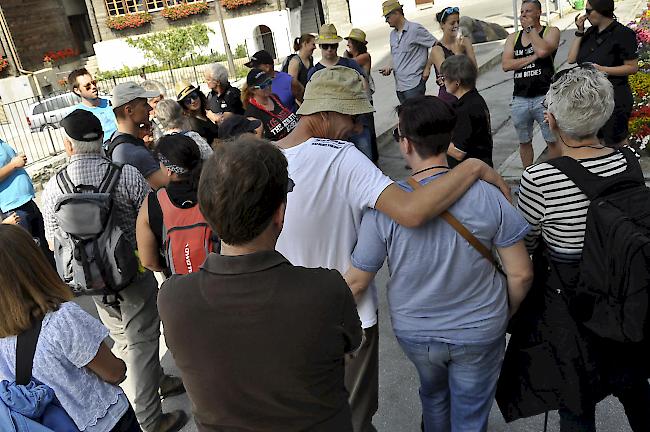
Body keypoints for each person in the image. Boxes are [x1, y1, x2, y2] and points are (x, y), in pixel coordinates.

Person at [275, 66, 511, 432]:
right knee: (353, 417)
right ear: (326, 113)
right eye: (353, 118)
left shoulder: (263, 159)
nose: (356, 129)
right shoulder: (343, 157)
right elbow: (412, 210)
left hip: (286, 319)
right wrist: (473, 169)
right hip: (347, 318)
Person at [345, 95, 532, 432]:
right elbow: (520, 273)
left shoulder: (386, 206)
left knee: (432, 395)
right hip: (479, 328)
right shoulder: (489, 194)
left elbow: (358, 279)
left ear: (405, 144)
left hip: (417, 332)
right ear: (448, 139)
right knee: (471, 411)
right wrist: (504, 312)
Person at [158, 136, 363, 431]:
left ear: (206, 211)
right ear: (279, 214)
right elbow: (350, 347)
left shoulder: (173, 298)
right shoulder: (325, 289)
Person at [496, 66, 650, 432]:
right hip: (625, 300)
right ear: (605, 115)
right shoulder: (627, 162)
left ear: (549, 120)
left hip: (572, 313)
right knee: (636, 391)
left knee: (575, 405)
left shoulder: (541, 178)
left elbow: (528, 244)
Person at [41, 109, 187, 432]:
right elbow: (153, 220)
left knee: (124, 336)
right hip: (131, 273)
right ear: (101, 139)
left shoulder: (53, 188)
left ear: (68, 146)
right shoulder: (126, 176)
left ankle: (156, 380)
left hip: (90, 280)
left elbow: (53, 244)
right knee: (144, 341)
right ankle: (151, 419)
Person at [0, 224, 142, 432]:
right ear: (33, 264)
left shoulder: (3, 343)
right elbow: (114, 373)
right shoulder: (62, 320)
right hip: (109, 422)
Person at [136, 134, 213, 275]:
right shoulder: (216, 191)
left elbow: (148, 261)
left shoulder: (152, 203)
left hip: (181, 285)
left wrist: (171, 264)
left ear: (169, 169)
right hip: (220, 276)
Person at [568, 0, 639, 148]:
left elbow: (632, 67)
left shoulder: (623, 34)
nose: (585, 16)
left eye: (589, 11)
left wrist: (602, 69)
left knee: (616, 142)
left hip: (614, 96)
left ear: (602, 10)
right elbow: (571, 59)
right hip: (591, 98)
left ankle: (627, 168)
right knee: (596, 143)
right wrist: (579, 31)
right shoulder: (590, 32)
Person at [502, 0, 560, 168]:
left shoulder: (551, 31)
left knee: (552, 139)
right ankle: (528, 173)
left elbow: (542, 50)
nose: (523, 14)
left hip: (545, 96)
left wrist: (530, 30)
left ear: (538, 13)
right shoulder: (513, 38)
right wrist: (533, 57)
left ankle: (556, 174)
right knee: (524, 141)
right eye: (522, 11)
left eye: (528, 11)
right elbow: (506, 65)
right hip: (520, 98)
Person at [0, 139, 53, 266]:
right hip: (13, 208)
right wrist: (13, 165)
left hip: (27, 202)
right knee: (29, 256)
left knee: (44, 250)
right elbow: (12, 165)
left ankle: (54, 282)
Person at [107, 82, 168, 190]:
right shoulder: (134, 153)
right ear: (129, 110)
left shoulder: (116, 139)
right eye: (144, 104)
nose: (149, 108)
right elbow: (167, 186)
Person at [379, 0, 437, 103]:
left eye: (387, 17)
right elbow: (395, 55)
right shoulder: (393, 35)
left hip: (414, 84)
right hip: (400, 87)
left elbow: (437, 46)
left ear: (397, 13)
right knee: (407, 117)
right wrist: (389, 66)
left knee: (418, 117)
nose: (386, 21)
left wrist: (427, 68)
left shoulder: (415, 29)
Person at [442, 55, 494, 167]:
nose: (443, 82)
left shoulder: (466, 109)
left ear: (457, 82)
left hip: (472, 173)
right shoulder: (474, 99)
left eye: (444, 78)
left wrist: (434, 140)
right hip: (481, 165)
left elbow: (458, 152)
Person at [429, 6, 477, 104]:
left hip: (469, 95)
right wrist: (458, 53)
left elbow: (475, 70)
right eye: (452, 23)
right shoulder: (437, 49)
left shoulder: (465, 41)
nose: (456, 25)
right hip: (449, 100)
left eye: (458, 22)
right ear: (442, 25)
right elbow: (451, 75)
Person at [344, 28, 379, 163]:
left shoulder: (365, 56)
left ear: (356, 44)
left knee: (368, 129)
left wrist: (346, 55)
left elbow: (347, 64)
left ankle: (373, 159)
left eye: (350, 43)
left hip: (365, 99)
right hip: (359, 98)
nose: (348, 45)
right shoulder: (353, 57)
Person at [243, 69, 298, 141]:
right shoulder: (252, 114)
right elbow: (257, 144)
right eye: (263, 86)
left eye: (269, 82)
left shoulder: (274, 97)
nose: (268, 86)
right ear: (253, 90)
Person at [69, 68, 117, 145]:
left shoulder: (110, 103)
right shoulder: (78, 115)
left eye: (93, 83)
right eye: (87, 86)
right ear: (77, 90)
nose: (93, 87)